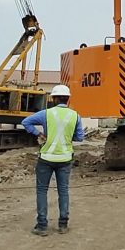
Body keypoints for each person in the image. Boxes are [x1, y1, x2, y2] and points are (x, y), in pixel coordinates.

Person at [21, 84, 84, 236]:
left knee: (42, 190)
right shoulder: (75, 116)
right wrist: (69, 137)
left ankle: (42, 226)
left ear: (53, 99)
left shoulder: (46, 114)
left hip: (46, 158)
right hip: (65, 158)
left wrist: (38, 134)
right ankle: (63, 224)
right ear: (68, 99)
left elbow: (26, 122)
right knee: (63, 190)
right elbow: (80, 137)